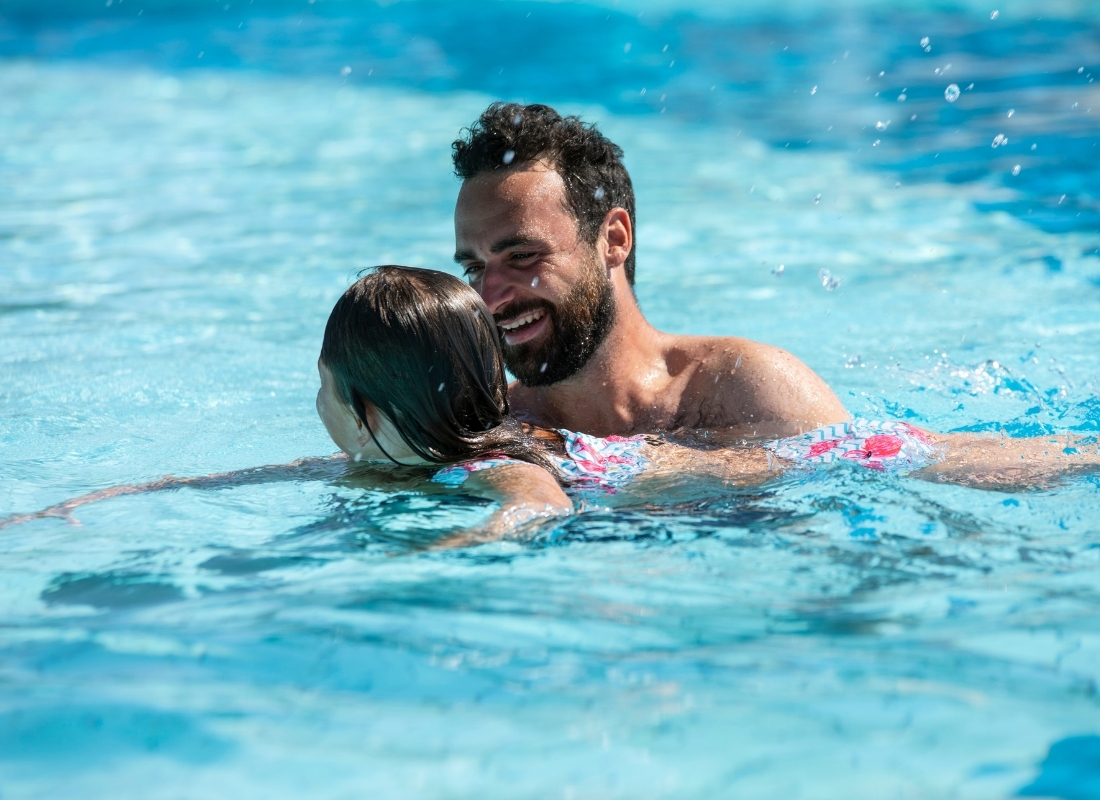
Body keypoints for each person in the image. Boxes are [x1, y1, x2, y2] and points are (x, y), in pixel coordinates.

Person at [3, 267, 1098, 545]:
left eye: (323, 390)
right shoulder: (399, 452)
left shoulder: (492, 463)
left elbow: (538, 503)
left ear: (370, 412)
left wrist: (465, 545)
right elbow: (288, 471)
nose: (315, 412)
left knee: (958, 460)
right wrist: (128, 493)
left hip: (778, 471)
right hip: (730, 479)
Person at [452, 102, 850, 439]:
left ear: (614, 239)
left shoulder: (752, 393)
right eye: (474, 267)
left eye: (522, 255)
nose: (489, 297)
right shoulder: (489, 427)